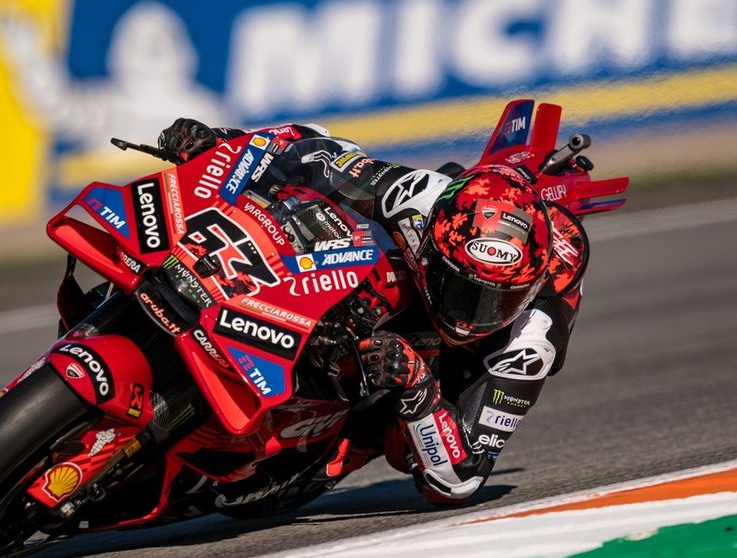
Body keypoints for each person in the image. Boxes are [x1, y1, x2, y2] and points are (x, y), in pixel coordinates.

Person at [157, 118, 588, 506]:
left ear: (529, 287)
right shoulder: (419, 200)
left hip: (436, 380)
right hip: (371, 284)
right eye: (460, 288)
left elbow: (460, 478)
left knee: (382, 449)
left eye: (498, 300)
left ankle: (329, 436)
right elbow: (315, 151)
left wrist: (417, 385)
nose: (471, 314)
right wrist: (220, 145)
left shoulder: (534, 337)